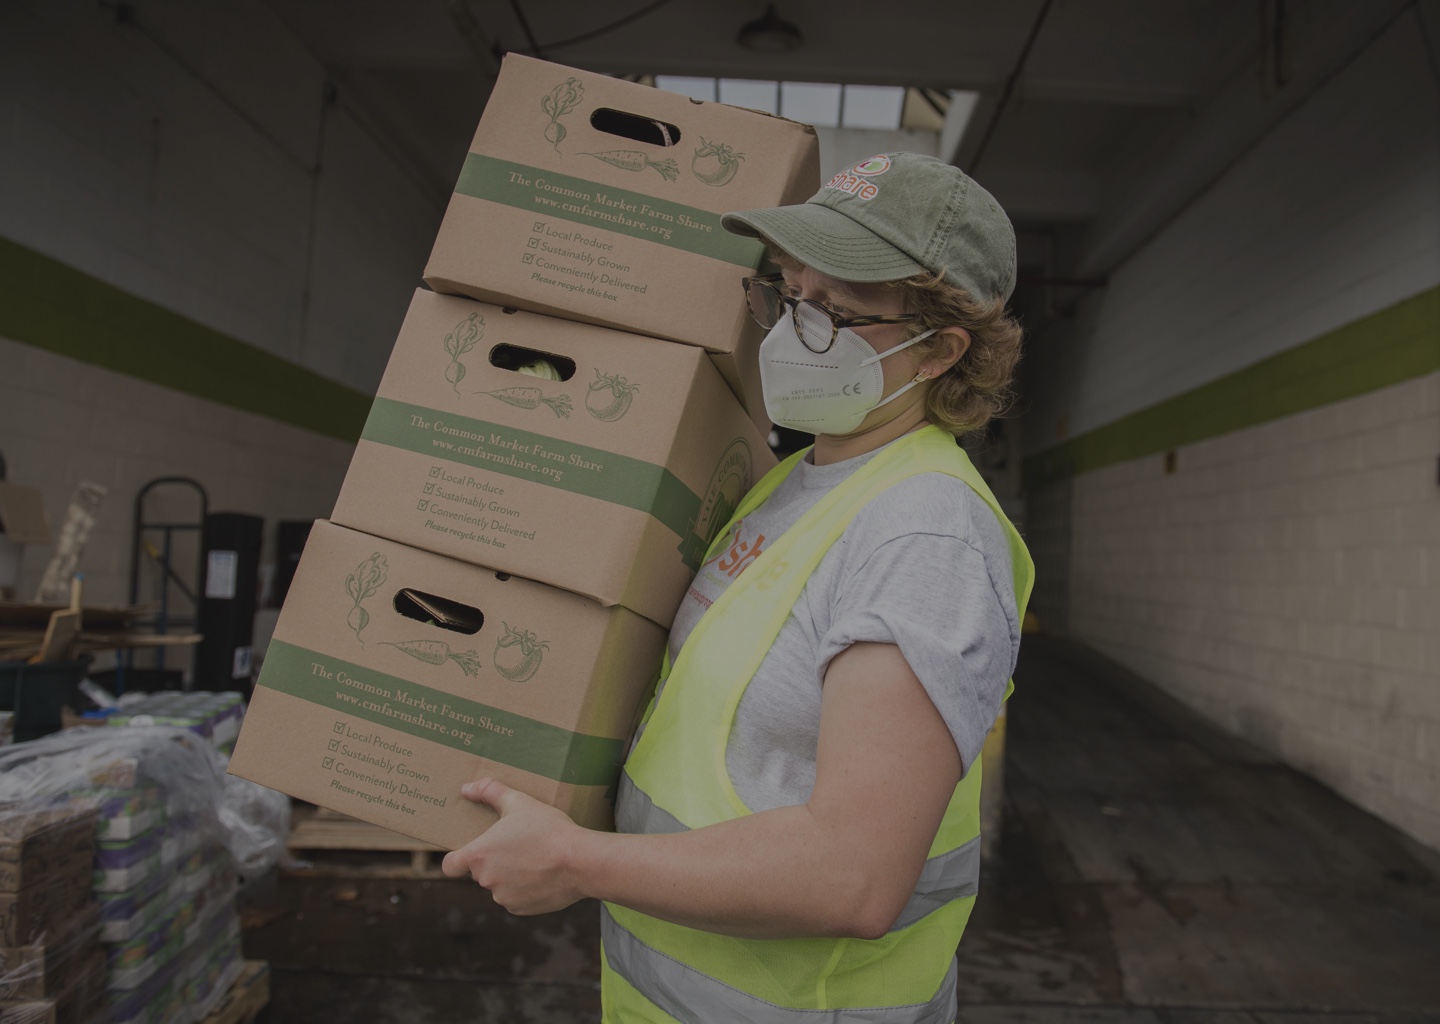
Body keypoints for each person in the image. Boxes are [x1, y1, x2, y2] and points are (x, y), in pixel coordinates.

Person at [442, 152, 1034, 1023]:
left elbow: (853, 876)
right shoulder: (788, 483)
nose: (795, 330)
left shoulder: (924, 535)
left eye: (835, 312)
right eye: (790, 294)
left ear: (942, 349)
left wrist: (578, 860)